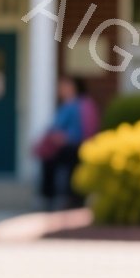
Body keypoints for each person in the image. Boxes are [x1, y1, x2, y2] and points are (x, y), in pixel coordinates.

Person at [38, 75, 100, 210]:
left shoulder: (82, 104)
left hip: (77, 146)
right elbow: (55, 127)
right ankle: (49, 198)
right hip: (64, 146)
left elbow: (86, 130)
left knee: (65, 161)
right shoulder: (65, 105)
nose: (62, 89)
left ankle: (72, 198)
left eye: (65, 86)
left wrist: (65, 137)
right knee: (48, 160)